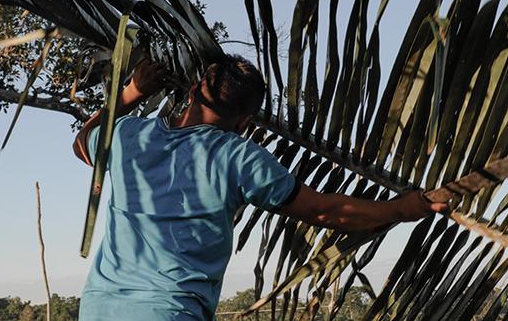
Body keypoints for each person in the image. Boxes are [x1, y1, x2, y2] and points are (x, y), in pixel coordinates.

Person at [73, 54, 447, 320]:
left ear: (192, 93)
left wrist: (132, 92)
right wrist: (401, 209)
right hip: (169, 311)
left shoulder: (128, 137)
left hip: (97, 309)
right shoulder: (236, 156)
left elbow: (82, 142)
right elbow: (325, 211)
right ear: (246, 121)